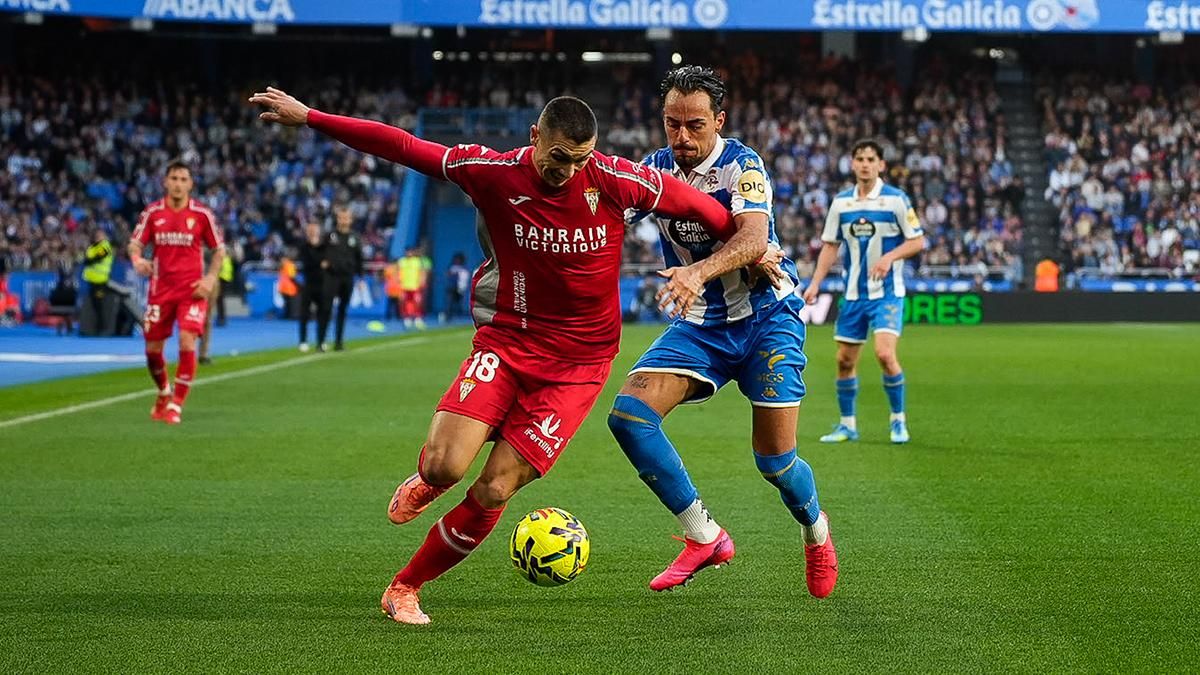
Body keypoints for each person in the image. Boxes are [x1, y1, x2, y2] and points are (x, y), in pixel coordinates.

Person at [250, 86, 763, 625]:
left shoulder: (616, 179)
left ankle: (405, 587)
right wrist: (310, 117)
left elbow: (704, 207)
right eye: (559, 157)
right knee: (444, 465)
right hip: (507, 343)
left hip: (579, 368)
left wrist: (757, 244)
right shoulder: (491, 171)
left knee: (495, 486)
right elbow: (402, 146)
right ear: (534, 137)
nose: (568, 171)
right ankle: (427, 480)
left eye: (580, 160)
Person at [607, 66, 837, 598]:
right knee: (629, 417)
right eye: (672, 125)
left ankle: (816, 532)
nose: (682, 138)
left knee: (775, 462)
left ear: (719, 121)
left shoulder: (743, 164)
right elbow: (607, 215)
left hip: (766, 321)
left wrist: (695, 271)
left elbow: (754, 238)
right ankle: (703, 534)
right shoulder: (655, 170)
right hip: (702, 325)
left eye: (694, 125)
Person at [803, 139, 926, 444]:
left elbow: (917, 241)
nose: (865, 164)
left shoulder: (896, 200)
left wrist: (888, 257)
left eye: (871, 159)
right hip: (854, 295)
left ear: (881, 164)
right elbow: (830, 245)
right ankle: (847, 424)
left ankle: (898, 421)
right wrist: (816, 282)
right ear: (853, 163)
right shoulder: (842, 203)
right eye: (860, 158)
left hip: (887, 292)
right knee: (844, 361)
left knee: (885, 354)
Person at [129, 160, 225, 425]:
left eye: (184, 179)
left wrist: (210, 278)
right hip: (160, 291)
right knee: (152, 350)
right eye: (174, 178)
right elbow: (135, 244)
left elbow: (219, 250)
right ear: (165, 182)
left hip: (192, 291)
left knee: (186, 341)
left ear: (191, 184)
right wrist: (138, 261)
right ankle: (163, 392)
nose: (178, 184)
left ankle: (176, 405)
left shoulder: (202, 214)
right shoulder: (153, 213)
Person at [317, 206, 362, 351]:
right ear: (337, 219)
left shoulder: (355, 238)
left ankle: (339, 342)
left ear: (351, 220)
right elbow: (319, 252)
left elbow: (359, 258)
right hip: (331, 277)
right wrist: (321, 262)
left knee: (343, 310)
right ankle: (321, 342)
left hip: (347, 277)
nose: (343, 220)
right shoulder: (330, 236)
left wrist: (360, 278)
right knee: (326, 309)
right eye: (341, 217)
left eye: (346, 218)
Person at [297, 222, 325, 351]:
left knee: (322, 314)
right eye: (310, 230)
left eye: (314, 230)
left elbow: (326, 262)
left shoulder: (324, 246)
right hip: (308, 283)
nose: (312, 232)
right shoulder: (304, 247)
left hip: (322, 284)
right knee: (304, 314)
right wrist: (320, 262)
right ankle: (303, 341)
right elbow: (308, 263)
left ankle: (321, 340)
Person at [82, 228, 113, 331]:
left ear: (104, 236)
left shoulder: (105, 246)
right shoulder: (92, 247)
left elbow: (97, 258)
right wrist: (89, 260)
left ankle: (102, 327)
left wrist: (90, 260)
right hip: (91, 280)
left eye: (100, 234)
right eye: (96, 234)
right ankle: (94, 326)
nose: (97, 236)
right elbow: (86, 259)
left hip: (101, 280)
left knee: (100, 304)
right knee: (93, 304)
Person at [398, 245, 430, 330]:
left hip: (415, 286)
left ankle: (418, 319)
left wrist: (422, 282)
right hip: (404, 286)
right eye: (407, 252)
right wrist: (399, 284)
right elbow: (398, 273)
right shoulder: (402, 261)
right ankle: (407, 319)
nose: (409, 253)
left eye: (410, 251)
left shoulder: (417, 261)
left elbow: (422, 272)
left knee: (417, 302)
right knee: (405, 303)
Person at [442, 252, 470, 322]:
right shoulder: (452, 267)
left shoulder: (464, 268)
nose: (457, 261)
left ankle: (455, 314)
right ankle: (448, 316)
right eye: (456, 259)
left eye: (459, 259)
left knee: (457, 302)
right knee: (449, 301)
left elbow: (465, 279)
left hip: (460, 288)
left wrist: (462, 287)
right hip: (452, 287)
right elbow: (448, 275)